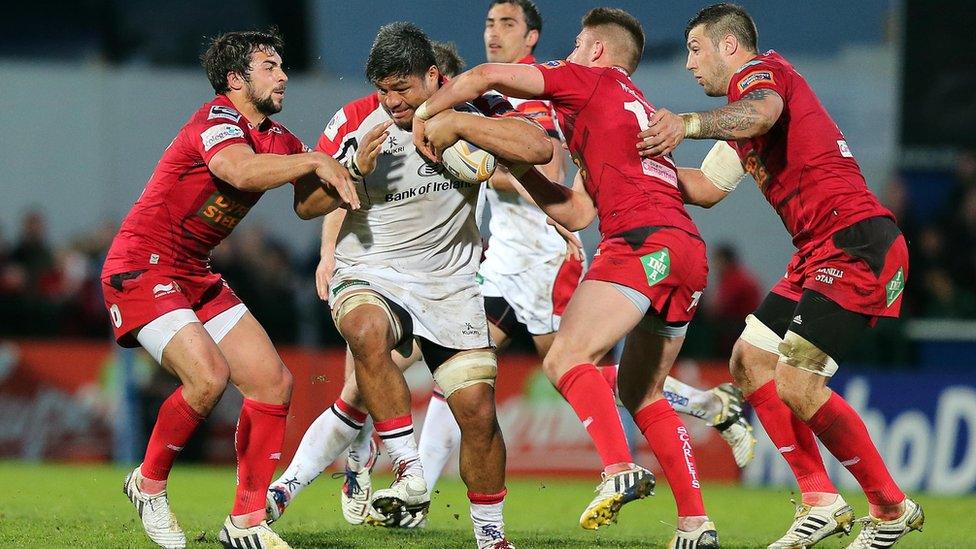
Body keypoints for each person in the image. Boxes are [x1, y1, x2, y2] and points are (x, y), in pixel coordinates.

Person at [413, 8, 720, 547]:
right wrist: (519, 171)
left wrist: (433, 114)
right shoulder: (629, 110)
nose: (569, 55)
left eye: (577, 45)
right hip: (687, 252)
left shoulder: (591, 80)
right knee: (641, 392)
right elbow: (578, 211)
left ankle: (617, 469)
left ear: (597, 51)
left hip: (640, 241)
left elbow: (486, 74)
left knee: (564, 358)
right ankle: (696, 522)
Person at [637, 4, 923, 548]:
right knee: (749, 360)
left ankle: (890, 508)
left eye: (697, 49)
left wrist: (687, 123)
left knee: (798, 382)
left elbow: (763, 112)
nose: (692, 65)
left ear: (729, 46)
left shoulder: (761, 75)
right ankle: (820, 499)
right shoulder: (739, 120)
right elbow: (707, 189)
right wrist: (638, 161)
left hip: (858, 242)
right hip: (818, 252)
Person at [271, 22, 552, 549]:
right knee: (364, 327)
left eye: (402, 88)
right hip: (372, 270)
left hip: (449, 286)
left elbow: (537, 148)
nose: (391, 101)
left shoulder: (473, 108)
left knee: (478, 414)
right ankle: (408, 469)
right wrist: (351, 168)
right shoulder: (355, 120)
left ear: (432, 76)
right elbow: (305, 205)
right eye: (383, 89)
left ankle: (491, 538)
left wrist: (463, 128)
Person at [101, 28, 355, 549]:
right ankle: (147, 484)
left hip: (192, 270)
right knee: (208, 378)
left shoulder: (277, 139)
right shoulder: (215, 119)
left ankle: (245, 522)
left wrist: (351, 172)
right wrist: (314, 160)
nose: (283, 75)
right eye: (269, 66)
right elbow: (237, 172)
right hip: (142, 266)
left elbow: (306, 204)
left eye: (282, 66)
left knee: (272, 383)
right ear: (236, 79)